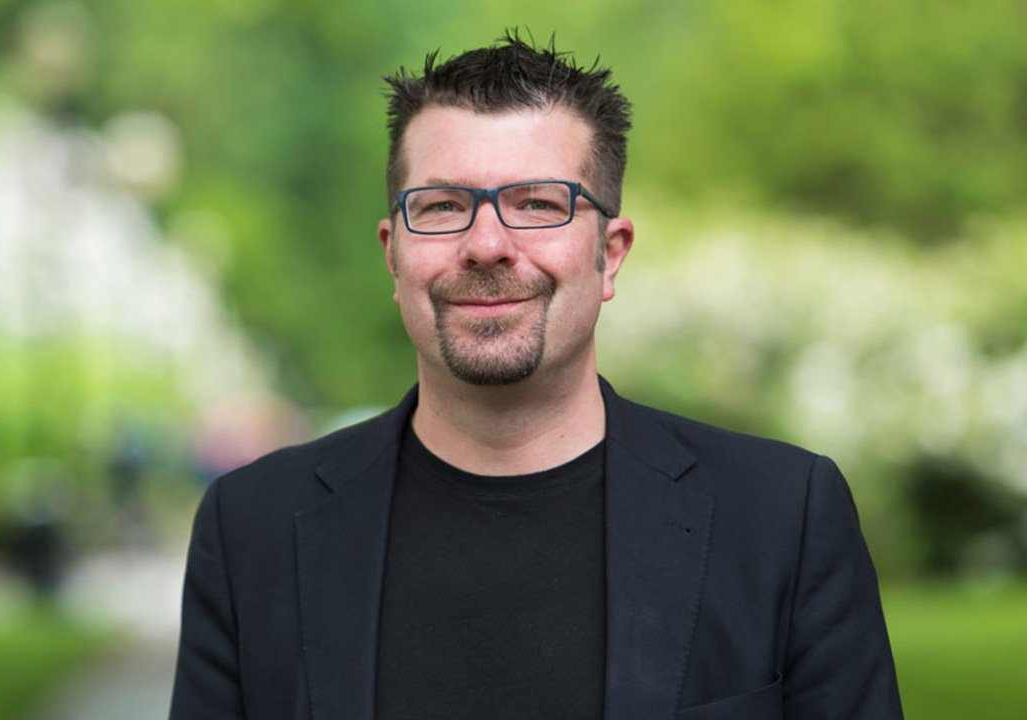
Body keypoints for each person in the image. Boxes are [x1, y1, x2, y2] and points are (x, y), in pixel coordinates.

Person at [170, 33, 903, 720]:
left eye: (537, 204)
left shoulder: (783, 519)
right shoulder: (251, 529)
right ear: (393, 254)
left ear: (609, 253)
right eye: (444, 206)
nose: (487, 245)